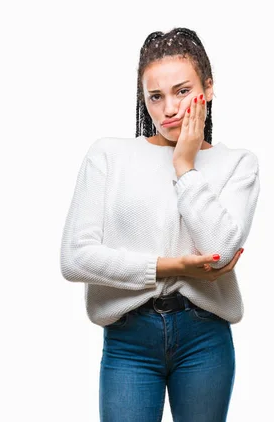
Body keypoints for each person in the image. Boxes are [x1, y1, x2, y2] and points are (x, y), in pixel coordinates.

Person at [59, 27, 260, 421]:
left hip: (205, 336)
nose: (168, 109)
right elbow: (75, 258)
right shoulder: (108, 155)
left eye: (182, 91)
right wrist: (172, 267)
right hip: (129, 338)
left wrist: (185, 166)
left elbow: (219, 252)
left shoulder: (238, 163)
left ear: (209, 87)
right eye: (155, 96)